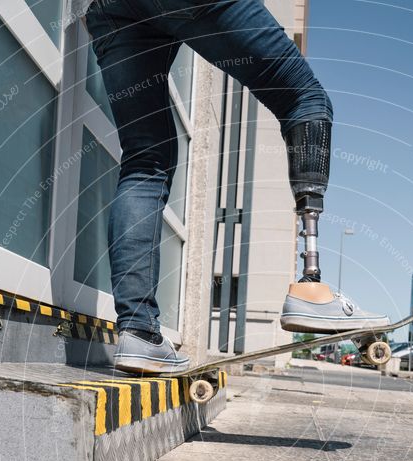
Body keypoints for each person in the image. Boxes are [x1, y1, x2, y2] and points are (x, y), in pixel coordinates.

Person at [74, 0, 388, 374]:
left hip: (112, 9)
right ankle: (312, 286)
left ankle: (138, 331)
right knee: (305, 98)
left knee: (146, 158)